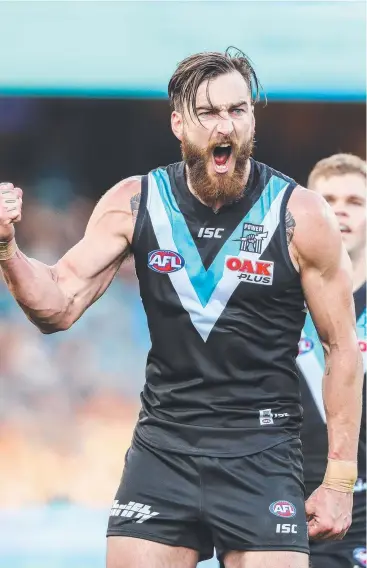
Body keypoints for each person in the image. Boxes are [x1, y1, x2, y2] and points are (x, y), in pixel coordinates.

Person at [0, 49, 363, 568]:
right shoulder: (136, 202)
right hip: (164, 449)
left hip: (262, 453)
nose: (226, 126)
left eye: (238, 111)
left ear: (252, 119)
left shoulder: (301, 214)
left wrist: (338, 480)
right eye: (209, 113)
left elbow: (341, 348)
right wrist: (7, 250)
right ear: (179, 123)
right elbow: (56, 304)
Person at [298, 154, 366, 568]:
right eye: (327, 200)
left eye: (355, 202)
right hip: (280, 501)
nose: (340, 210)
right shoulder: (272, 299)